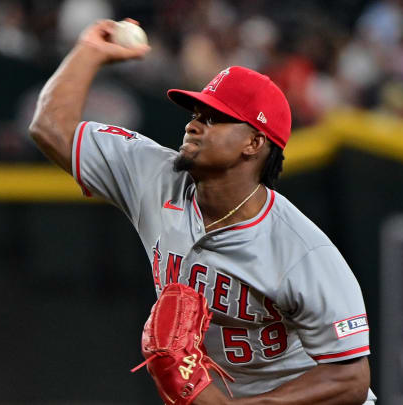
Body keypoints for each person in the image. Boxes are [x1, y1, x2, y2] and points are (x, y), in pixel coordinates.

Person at [29, 19, 376, 405]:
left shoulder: (303, 251)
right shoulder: (152, 175)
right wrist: (89, 51)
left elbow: (350, 378)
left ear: (254, 142)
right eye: (195, 113)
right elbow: (50, 127)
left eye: (214, 118)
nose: (193, 124)